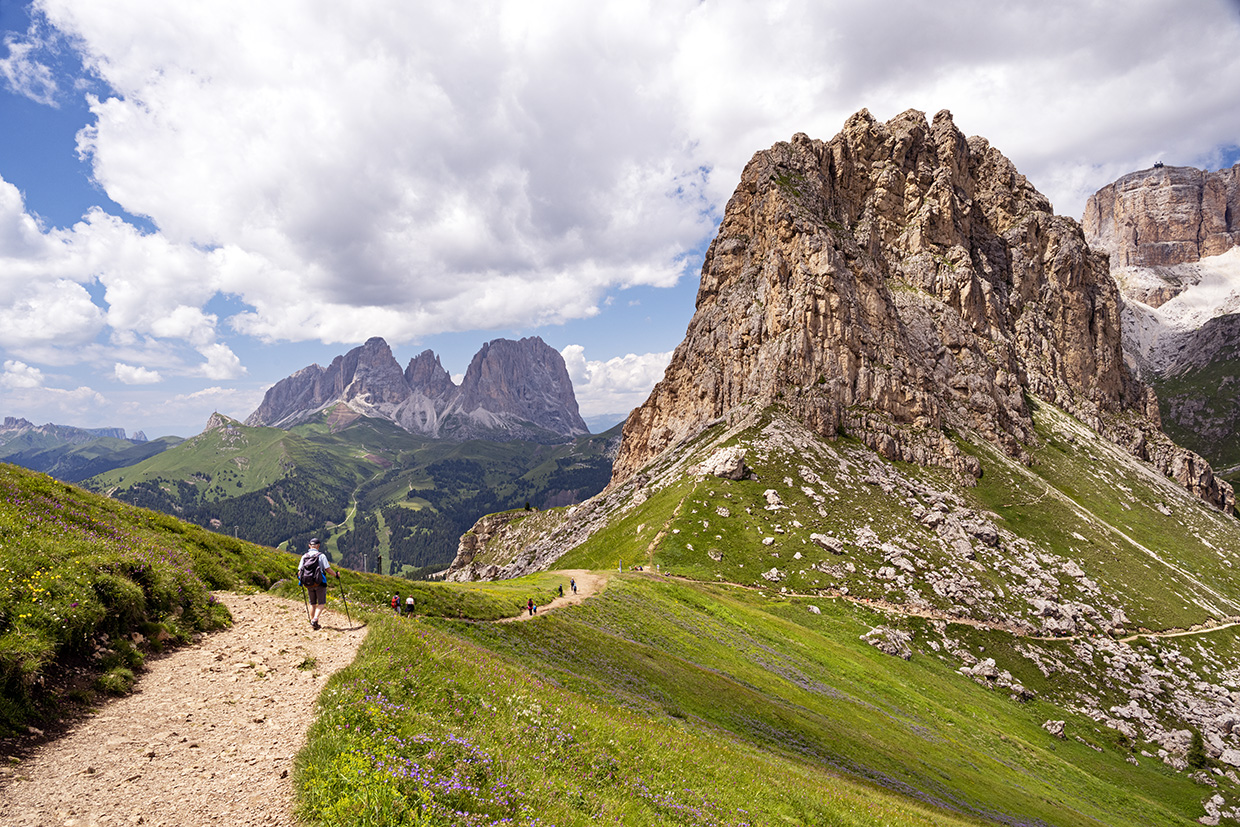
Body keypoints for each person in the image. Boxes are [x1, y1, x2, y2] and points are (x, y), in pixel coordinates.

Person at [299, 538, 338, 630]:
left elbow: (300, 571)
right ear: (318, 546)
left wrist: (301, 580)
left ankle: (312, 622)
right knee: (321, 603)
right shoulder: (321, 556)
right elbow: (328, 569)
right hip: (319, 583)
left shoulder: (304, 556)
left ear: (309, 546)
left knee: (312, 603)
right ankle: (315, 619)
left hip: (308, 583)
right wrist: (336, 575)